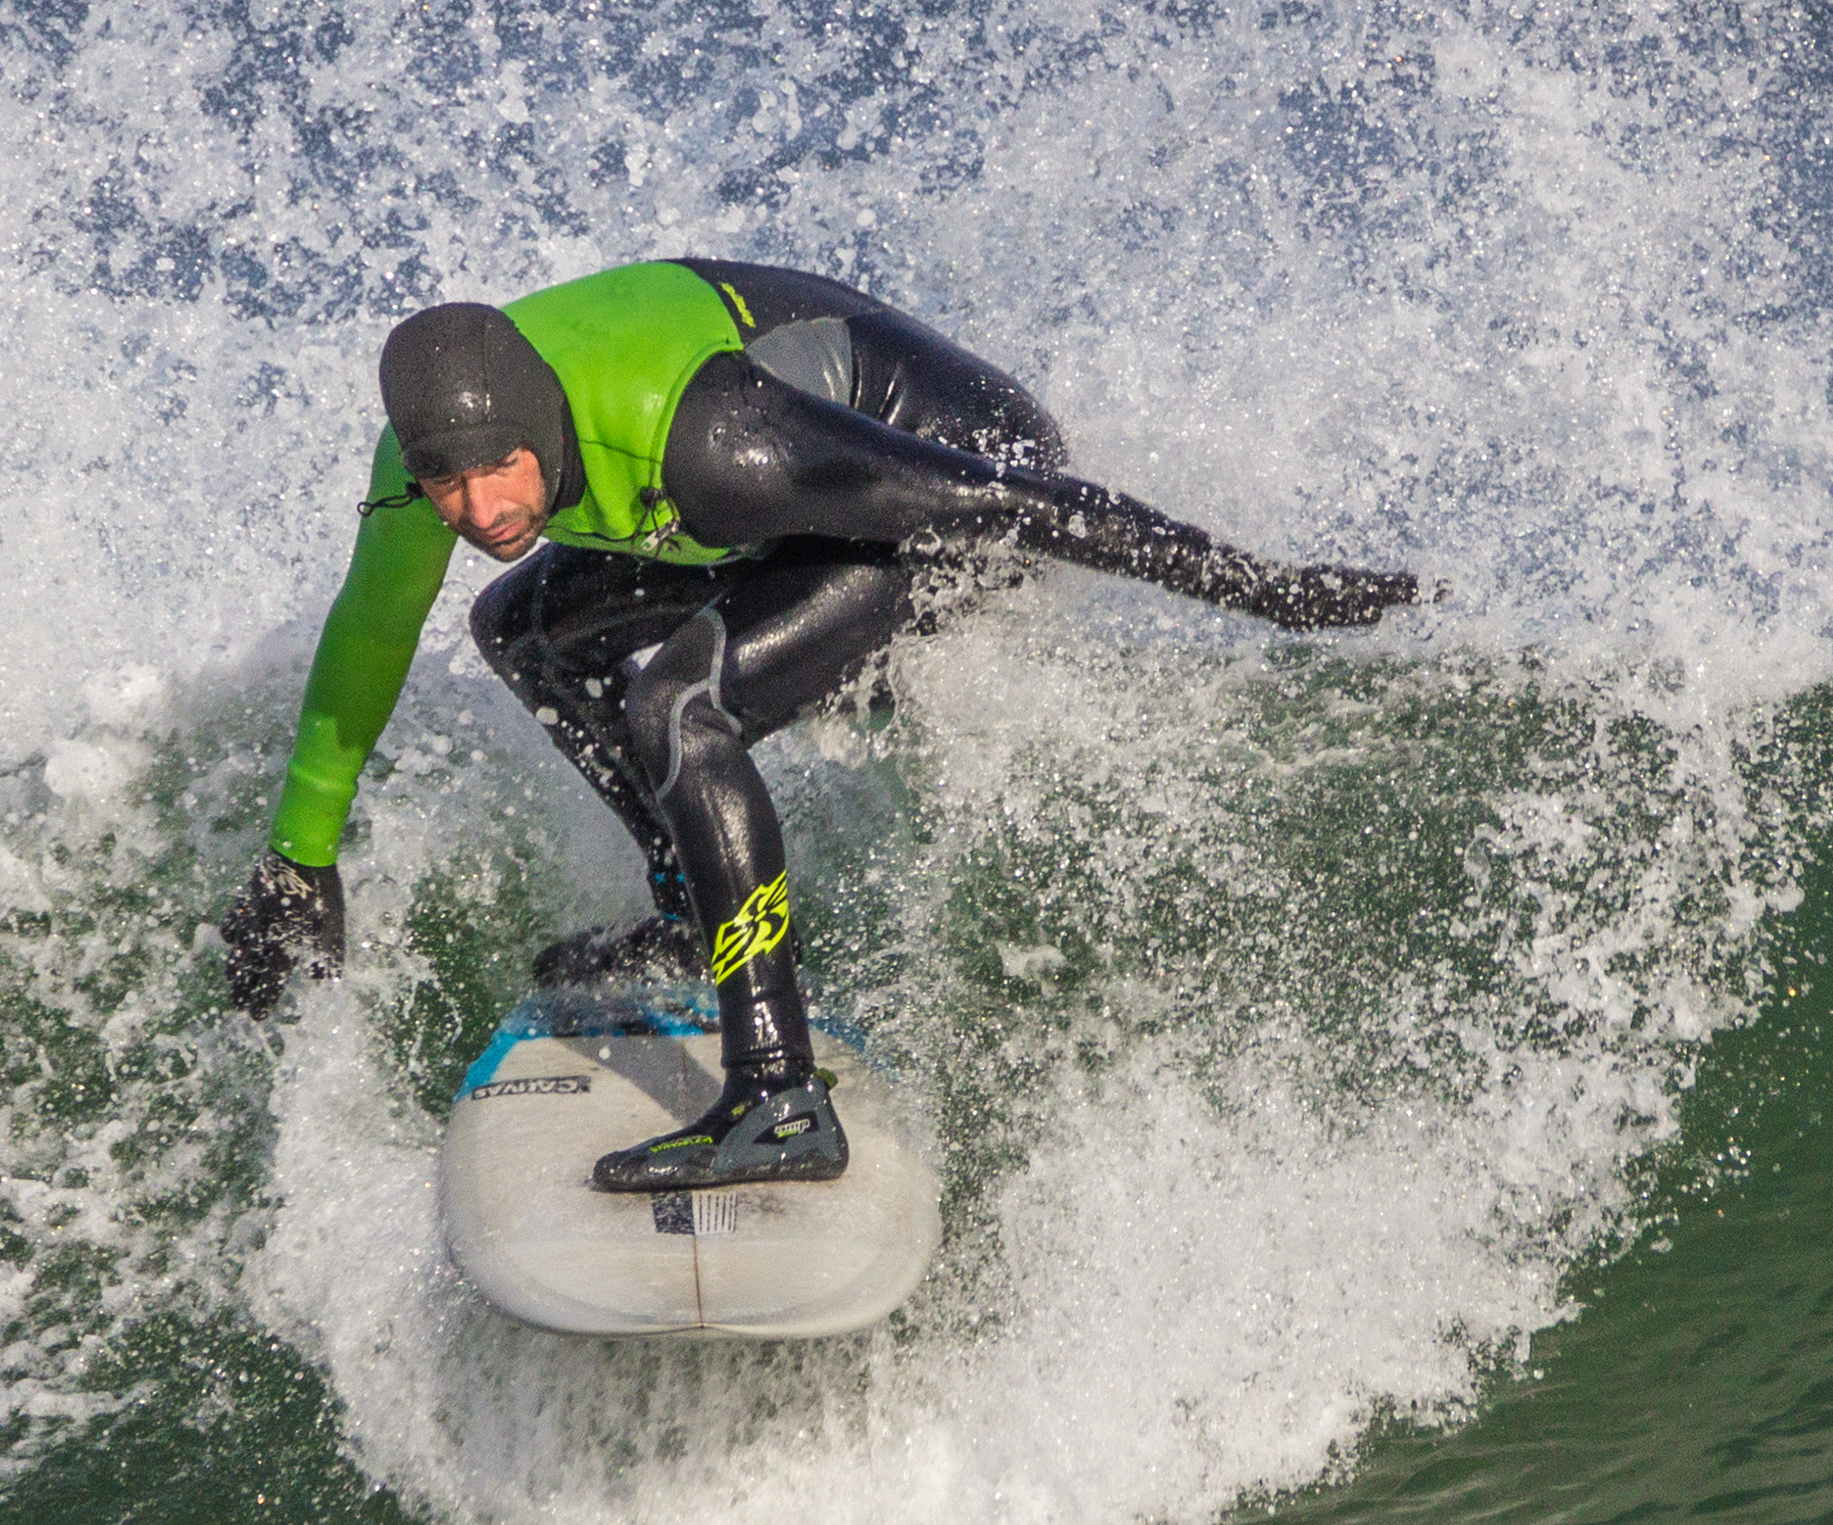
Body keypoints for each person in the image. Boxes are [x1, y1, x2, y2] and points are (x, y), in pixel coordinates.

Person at [220, 257, 1420, 1191]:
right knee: (521, 627)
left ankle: (779, 1095)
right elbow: (366, 642)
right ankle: (697, 919)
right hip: (782, 508)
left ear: (543, 424)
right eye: (449, 484)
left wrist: (1269, 591)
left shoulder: (711, 445)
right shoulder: (432, 463)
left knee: (678, 708)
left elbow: (1010, 501)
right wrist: (300, 859)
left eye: (501, 472)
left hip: (938, 483)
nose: (480, 509)